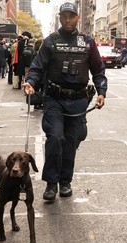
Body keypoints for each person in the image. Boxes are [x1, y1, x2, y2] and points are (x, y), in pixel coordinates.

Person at [22, 2, 107, 202]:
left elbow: (98, 69)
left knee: (70, 142)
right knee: (56, 138)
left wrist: (101, 91)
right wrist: (30, 82)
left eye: (72, 16)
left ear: (78, 18)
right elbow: (37, 67)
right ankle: (51, 183)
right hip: (54, 100)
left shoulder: (88, 42)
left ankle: (65, 181)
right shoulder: (50, 41)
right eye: (64, 16)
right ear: (60, 18)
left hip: (78, 102)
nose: (68, 19)